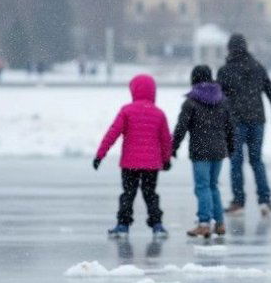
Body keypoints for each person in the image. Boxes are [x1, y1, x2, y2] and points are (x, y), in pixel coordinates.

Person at [94, 74, 173, 238]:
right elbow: (165, 139)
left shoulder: (127, 111)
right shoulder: (159, 114)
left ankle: (123, 225)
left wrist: (100, 155)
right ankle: (157, 225)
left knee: (128, 193)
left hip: (130, 164)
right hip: (152, 164)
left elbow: (112, 133)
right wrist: (166, 160)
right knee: (150, 193)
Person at [217, 34, 271, 216]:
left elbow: (218, 98)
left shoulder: (225, 71)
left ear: (229, 48)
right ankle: (265, 200)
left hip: (235, 122)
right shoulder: (257, 67)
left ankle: (238, 202)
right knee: (257, 161)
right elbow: (270, 90)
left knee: (236, 162)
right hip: (257, 120)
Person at [172, 65, 235, 238]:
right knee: (213, 186)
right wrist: (231, 147)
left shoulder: (191, 102)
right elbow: (230, 127)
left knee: (202, 187)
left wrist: (173, 147)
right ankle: (220, 223)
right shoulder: (222, 100)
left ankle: (204, 223)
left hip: (200, 151)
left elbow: (181, 128)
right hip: (219, 150)